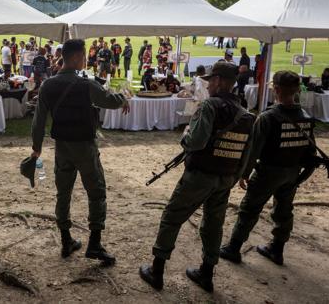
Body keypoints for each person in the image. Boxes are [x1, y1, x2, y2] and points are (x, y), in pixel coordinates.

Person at [139, 62, 256, 293]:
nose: (208, 84)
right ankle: (206, 273)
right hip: (225, 177)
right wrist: (236, 176)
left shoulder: (210, 106)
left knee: (172, 217)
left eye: (211, 80)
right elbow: (247, 151)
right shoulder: (245, 114)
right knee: (214, 225)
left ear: (219, 81)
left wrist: (185, 136)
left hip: (201, 175)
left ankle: (157, 270)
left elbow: (196, 142)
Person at [30, 39, 130, 266]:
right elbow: (108, 101)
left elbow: (38, 122)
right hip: (84, 147)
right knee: (96, 192)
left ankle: (66, 240)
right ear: (76, 58)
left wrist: (36, 148)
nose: (85, 60)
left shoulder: (47, 85)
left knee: (63, 193)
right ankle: (94, 243)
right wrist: (123, 96)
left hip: (62, 148)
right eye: (84, 57)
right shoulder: (86, 84)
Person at [220, 71, 317, 266]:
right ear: (297, 90)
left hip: (268, 172)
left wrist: (244, 173)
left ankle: (234, 248)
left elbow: (253, 150)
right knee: (284, 210)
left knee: (249, 209)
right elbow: (311, 150)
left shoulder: (268, 117)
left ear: (276, 89)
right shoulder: (305, 117)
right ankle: (277, 248)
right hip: (292, 173)